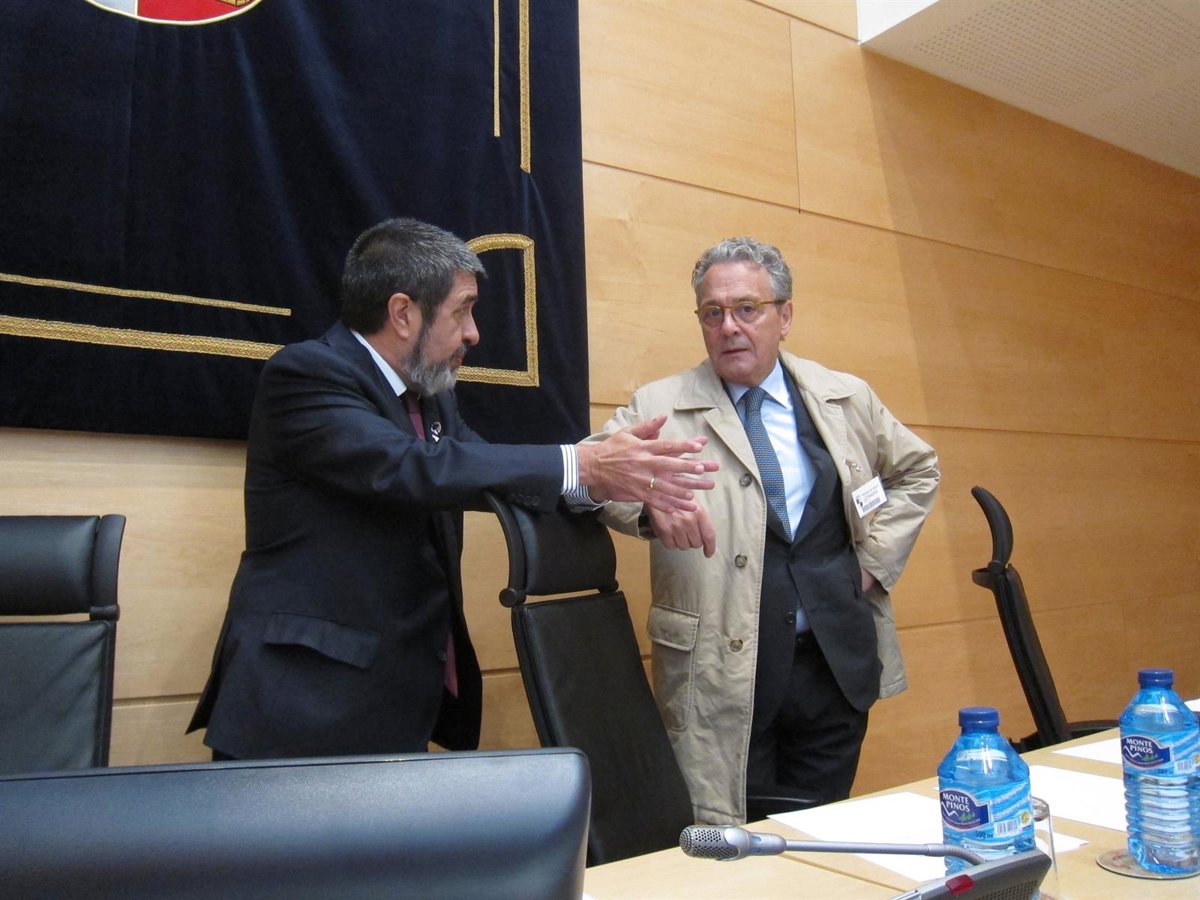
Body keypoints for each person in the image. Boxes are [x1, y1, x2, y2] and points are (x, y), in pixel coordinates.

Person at [187, 217, 718, 760]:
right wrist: (585, 463)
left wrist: (614, 484)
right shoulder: (307, 374)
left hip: (392, 696)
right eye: (463, 310)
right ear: (403, 313)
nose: (474, 333)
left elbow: (489, 475)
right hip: (302, 701)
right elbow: (409, 467)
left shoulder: (432, 396)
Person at [593, 236, 940, 824]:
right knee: (733, 840)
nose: (729, 327)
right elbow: (587, 480)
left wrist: (875, 562)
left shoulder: (844, 398)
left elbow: (918, 470)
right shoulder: (658, 407)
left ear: (785, 316)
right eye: (712, 313)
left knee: (820, 832)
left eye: (747, 309)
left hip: (834, 666)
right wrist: (649, 505)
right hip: (724, 674)